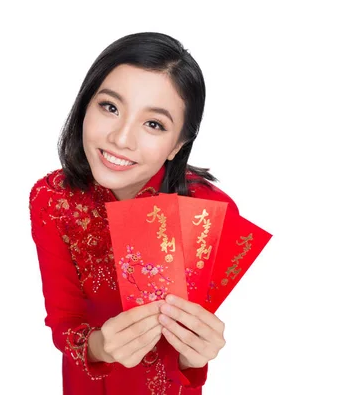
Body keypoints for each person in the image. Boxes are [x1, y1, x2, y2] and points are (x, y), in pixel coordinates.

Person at [29, 32, 239, 395]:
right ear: (85, 104)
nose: (122, 139)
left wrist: (197, 354)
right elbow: (64, 323)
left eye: (154, 124)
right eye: (110, 107)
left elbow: (187, 355)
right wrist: (99, 347)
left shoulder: (208, 213)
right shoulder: (52, 199)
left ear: (177, 145)